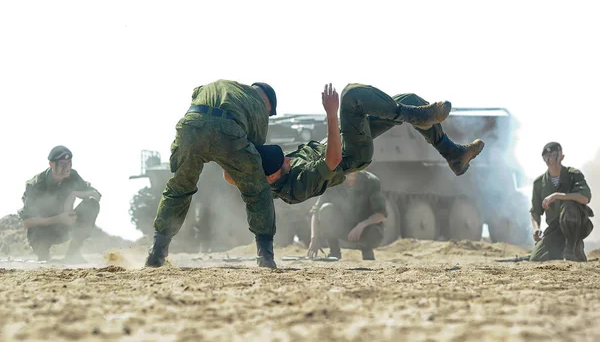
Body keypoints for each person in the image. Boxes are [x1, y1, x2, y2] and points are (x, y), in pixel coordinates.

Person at [225, 83, 484, 206]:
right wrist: (330, 113)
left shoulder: (259, 177)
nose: (289, 159)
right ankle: (422, 117)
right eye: (285, 163)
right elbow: (333, 161)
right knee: (351, 96)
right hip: (350, 154)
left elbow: (229, 175)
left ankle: (453, 154)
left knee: (409, 99)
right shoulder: (298, 184)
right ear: (274, 175)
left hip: (338, 140)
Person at [146, 80, 280, 269]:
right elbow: (256, 150)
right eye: (269, 112)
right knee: (258, 191)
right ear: (267, 103)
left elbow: (195, 97)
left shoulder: (214, 87)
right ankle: (265, 256)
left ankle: (157, 251)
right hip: (228, 131)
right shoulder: (257, 104)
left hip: (190, 126)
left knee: (179, 187)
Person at [18, 146, 101, 263]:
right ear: (51, 164)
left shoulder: (73, 176)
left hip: (64, 228)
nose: (67, 168)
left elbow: (96, 195)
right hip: (42, 232)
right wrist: (59, 219)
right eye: (63, 165)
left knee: (91, 205)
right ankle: (43, 257)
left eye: (69, 164)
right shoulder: (36, 185)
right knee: (44, 261)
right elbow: (27, 222)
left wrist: (74, 194)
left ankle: (73, 254)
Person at [529, 142, 593, 262]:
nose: (550, 159)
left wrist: (557, 196)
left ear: (561, 157)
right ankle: (562, 250)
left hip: (576, 226)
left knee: (569, 205)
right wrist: (536, 228)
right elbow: (535, 211)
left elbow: (585, 198)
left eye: (553, 155)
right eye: (546, 156)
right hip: (555, 229)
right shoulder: (539, 183)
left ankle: (571, 248)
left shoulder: (573, 175)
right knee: (536, 258)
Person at [307, 170, 386, 260]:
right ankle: (334, 252)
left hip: (364, 231)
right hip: (343, 227)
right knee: (326, 209)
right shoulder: (332, 180)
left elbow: (381, 214)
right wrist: (314, 239)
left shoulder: (371, 181)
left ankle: (367, 252)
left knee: (374, 231)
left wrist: (362, 225)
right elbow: (316, 212)